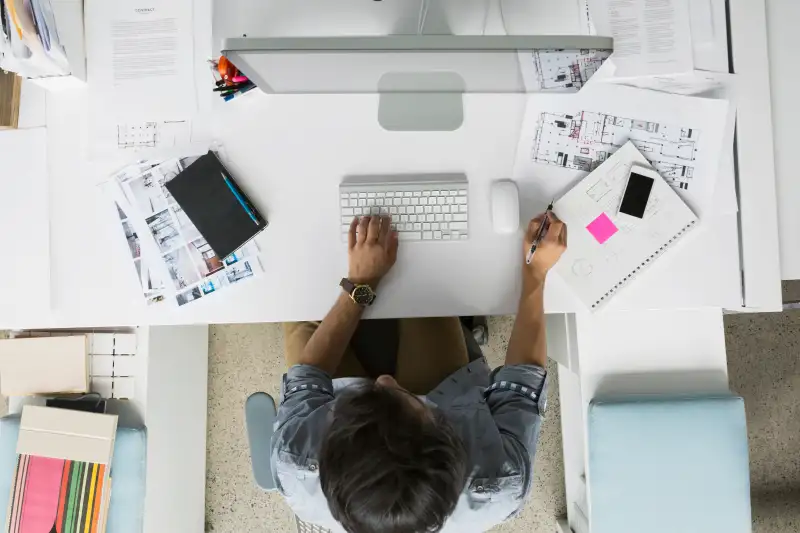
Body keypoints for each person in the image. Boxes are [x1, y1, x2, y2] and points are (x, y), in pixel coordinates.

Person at [272, 212, 568, 533]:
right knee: (422, 290)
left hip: (344, 401)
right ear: (450, 441)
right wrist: (535, 272)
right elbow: (522, 379)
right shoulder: (498, 484)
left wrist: (361, 284)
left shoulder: (296, 464)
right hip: (447, 393)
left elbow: (309, 376)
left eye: (375, 391)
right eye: (411, 401)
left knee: (304, 305)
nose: (385, 379)